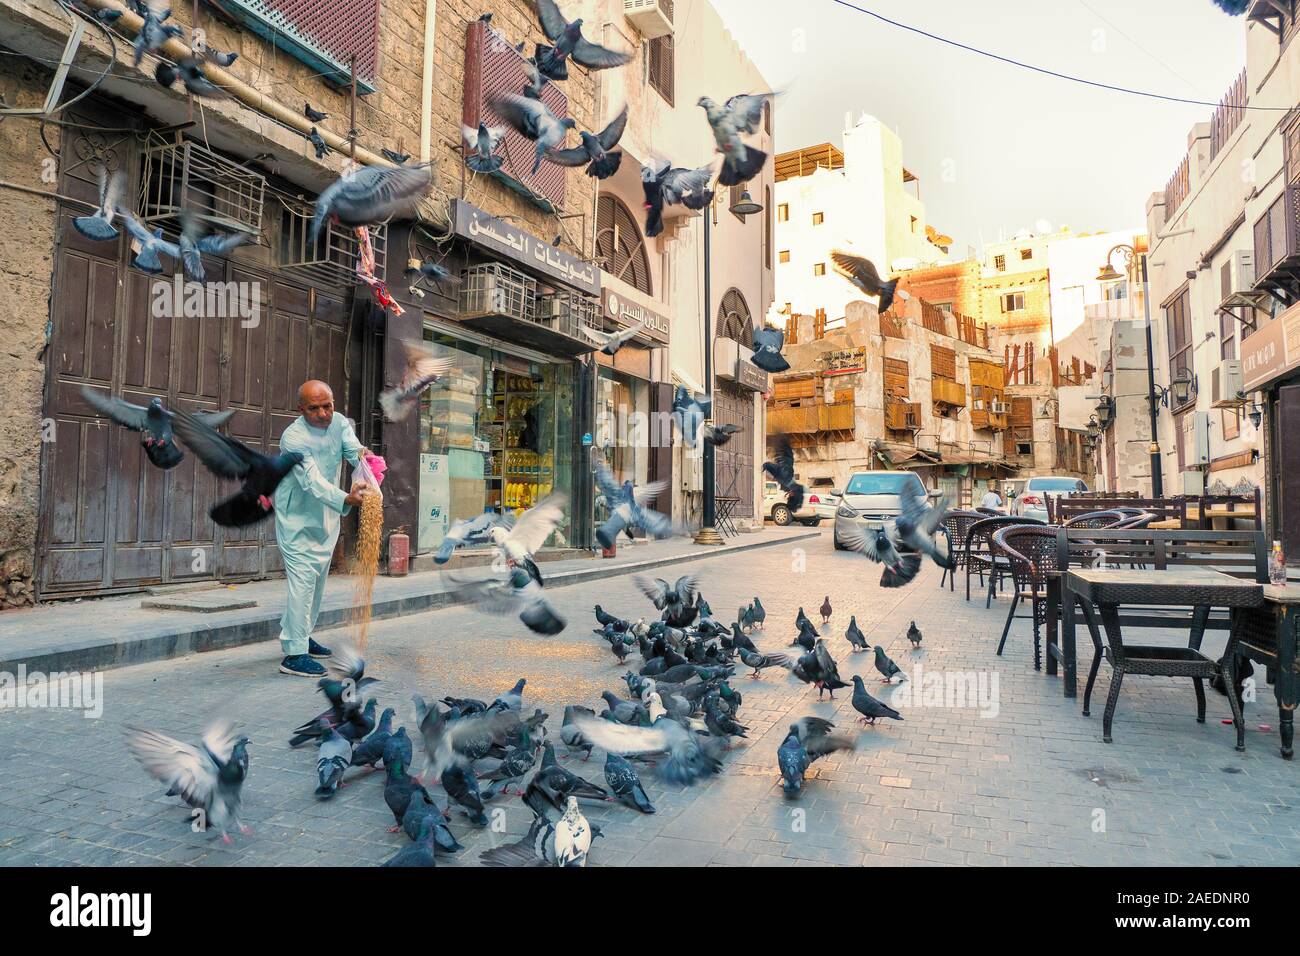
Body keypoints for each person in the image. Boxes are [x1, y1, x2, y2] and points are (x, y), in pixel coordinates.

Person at [275, 380, 372, 677]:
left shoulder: (339, 423)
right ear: (300, 409)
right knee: (303, 580)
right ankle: (293, 654)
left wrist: (363, 457)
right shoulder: (293, 439)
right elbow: (312, 481)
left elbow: (352, 447)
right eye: (314, 408)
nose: (323, 413)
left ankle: (302, 632)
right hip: (296, 518)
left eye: (327, 406)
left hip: (326, 517)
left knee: (316, 583)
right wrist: (347, 498)